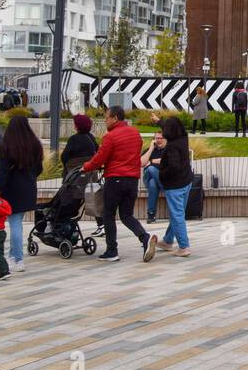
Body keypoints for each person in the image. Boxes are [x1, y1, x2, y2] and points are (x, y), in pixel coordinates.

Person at [83, 105, 157, 263]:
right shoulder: (135, 133)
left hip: (115, 179)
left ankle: (112, 251)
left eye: (107, 117)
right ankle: (145, 238)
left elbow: (100, 158)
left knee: (108, 215)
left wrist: (86, 167)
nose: (105, 119)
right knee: (126, 215)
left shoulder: (111, 136)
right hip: (132, 181)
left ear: (115, 118)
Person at [0, 114, 42, 275]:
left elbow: (3, 172)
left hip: (11, 189)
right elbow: (39, 169)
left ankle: (18, 259)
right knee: (17, 222)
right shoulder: (35, 144)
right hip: (28, 188)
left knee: (15, 223)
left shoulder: (6, 145)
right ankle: (12, 255)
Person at [156, 116, 194, 257]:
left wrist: (161, 173)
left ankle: (184, 247)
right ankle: (167, 241)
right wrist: (158, 121)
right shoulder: (184, 137)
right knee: (177, 213)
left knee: (177, 215)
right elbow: (170, 124)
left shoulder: (172, 146)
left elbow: (174, 167)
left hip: (175, 186)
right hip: (187, 181)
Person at [142, 131, 166, 223]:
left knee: (153, 183)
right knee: (151, 170)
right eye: (157, 138)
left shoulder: (168, 150)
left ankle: (151, 215)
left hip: (162, 177)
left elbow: (166, 161)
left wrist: (151, 161)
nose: (159, 140)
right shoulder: (149, 150)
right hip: (148, 178)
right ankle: (165, 189)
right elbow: (141, 163)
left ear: (165, 139)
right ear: (154, 140)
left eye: (161, 138)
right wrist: (151, 148)